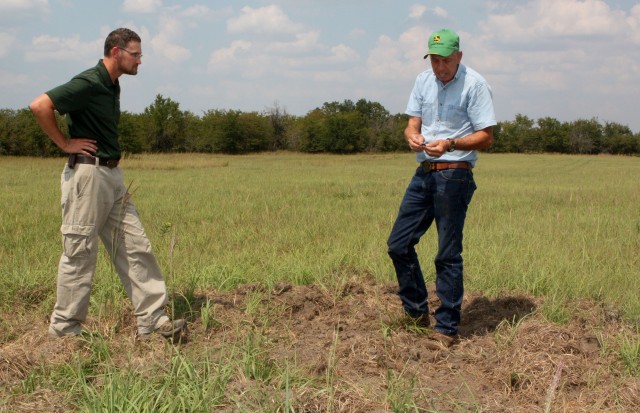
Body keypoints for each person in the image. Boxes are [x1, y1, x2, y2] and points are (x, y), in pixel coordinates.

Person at [29, 28, 185, 340]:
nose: (140, 61)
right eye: (136, 54)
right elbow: (40, 105)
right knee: (80, 251)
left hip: (112, 176)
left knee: (136, 246)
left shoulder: (111, 85)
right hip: (88, 177)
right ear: (116, 52)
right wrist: (64, 143)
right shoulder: (89, 82)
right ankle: (64, 333)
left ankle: (152, 323)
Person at [387, 29, 495, 347]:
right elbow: (412, 122)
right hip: (424, 172)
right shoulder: (423, 81)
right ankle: (417, 311)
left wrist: (450, 143)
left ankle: (446, 327)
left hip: (455, 174)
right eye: (435, 60)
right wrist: (411, 135)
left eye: (446, 60)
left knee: (447, 253)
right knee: (398, 244)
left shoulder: (475, 84)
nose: (440, 67)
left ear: (459, 56)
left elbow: (486, 136)